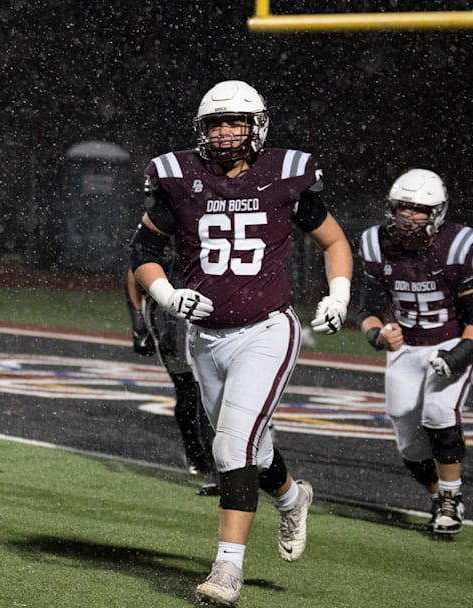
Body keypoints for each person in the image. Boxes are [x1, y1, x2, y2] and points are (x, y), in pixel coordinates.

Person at [128, 80, 353, 606]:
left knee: (229, 446)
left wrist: (338, 294)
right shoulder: (181, 178)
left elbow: (335, 240)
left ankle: (227, 569)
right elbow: (143, 250)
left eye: (236, 122)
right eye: (216, 123)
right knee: (256, 447)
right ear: (201, 130)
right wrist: (166, 295)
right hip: (205, 337)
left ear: (259, 125)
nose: (226, 133)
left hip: (267, 330)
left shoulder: (284, 176)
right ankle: (294, 498)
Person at [358, 168, 467, 536]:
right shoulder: (376, 243)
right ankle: (437, 496)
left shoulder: (458, 246)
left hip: (451, 341)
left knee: (438, 412)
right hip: (406, 351)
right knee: (409, 443)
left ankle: (453, 498)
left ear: (437, 212)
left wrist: (459, 356)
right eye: (402, 207)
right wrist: (377, 336)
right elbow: (367, 310)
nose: (408, 216)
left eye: (419, 209)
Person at [125, 268, 217, 495]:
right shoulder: (167, 235)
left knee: (204, 391)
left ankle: (218, 467)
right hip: (172, 314)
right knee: (190, 393)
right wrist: (137, 317)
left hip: (210, 307)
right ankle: (202, 459)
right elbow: (136, 267)